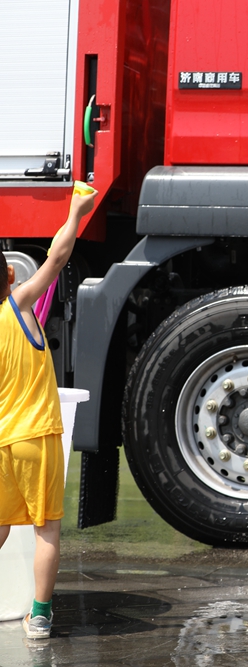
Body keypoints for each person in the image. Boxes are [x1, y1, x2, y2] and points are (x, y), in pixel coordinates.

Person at [0, 189, 97, 639]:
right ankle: (39, 615)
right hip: (36, 436)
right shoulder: (18, 308)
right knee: (46, 528)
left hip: (0, 442)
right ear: (9, 274)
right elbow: (56, 259)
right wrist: (76, 210)